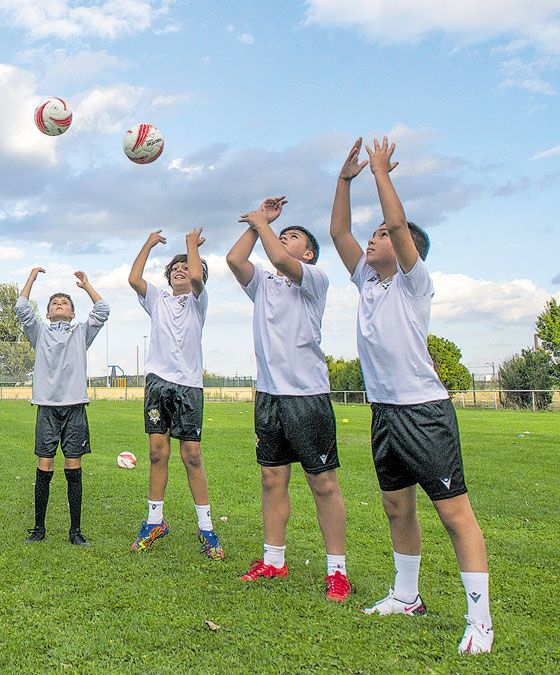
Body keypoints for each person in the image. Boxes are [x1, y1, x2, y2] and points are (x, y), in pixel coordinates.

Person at [331, 137, 492, 654]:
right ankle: (407, 597)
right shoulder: (367, 282)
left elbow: (399, 227)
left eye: (381, 235)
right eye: (374, 235)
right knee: (396, 507)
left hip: (424, 412)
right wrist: (344, 179)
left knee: (453, 513)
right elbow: (337, 232)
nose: (373, 239)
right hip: (384, 413)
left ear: (407, 252)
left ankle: (480, 621)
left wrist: (381, 173)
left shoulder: (412, 281)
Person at [226, 196, 350, 600]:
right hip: (270, 396)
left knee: (323, 484)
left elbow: (279, 259)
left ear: (309, 252)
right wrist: (256, 225)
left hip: (307, 395)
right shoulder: (263, 282)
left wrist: (264, 223)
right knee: (271, 478)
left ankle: (337, 571)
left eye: (291, 236)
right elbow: (233, 260)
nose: (282, 239)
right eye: (281, 235)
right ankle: (274, 560)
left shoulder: (315, 278)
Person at [127, 227, 224, 560]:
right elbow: (133, 279)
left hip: (188, 385)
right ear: (168, 277)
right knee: (157, 451)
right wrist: (149, 243)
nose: (181, 270)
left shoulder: (198, 301)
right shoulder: (158, 299)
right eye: (175, 268)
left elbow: (197, 276)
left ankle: (206, 527)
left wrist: (189, 247)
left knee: (192, 455)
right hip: (158, 382)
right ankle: (155, 521)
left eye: (186, 267)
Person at [17, 267, 109, 546]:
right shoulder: (40, 333)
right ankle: (38, 529)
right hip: (47, 407)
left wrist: (87, 285)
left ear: (72, 313)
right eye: (54, 303)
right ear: (46, 314)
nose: (59, 304)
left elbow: (103, 309)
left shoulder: (81, 333)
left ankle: (75, 531)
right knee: (44, 466)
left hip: (75, 408)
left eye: (65, 303)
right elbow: (22, 307)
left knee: (73, 466)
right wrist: (32, 278)